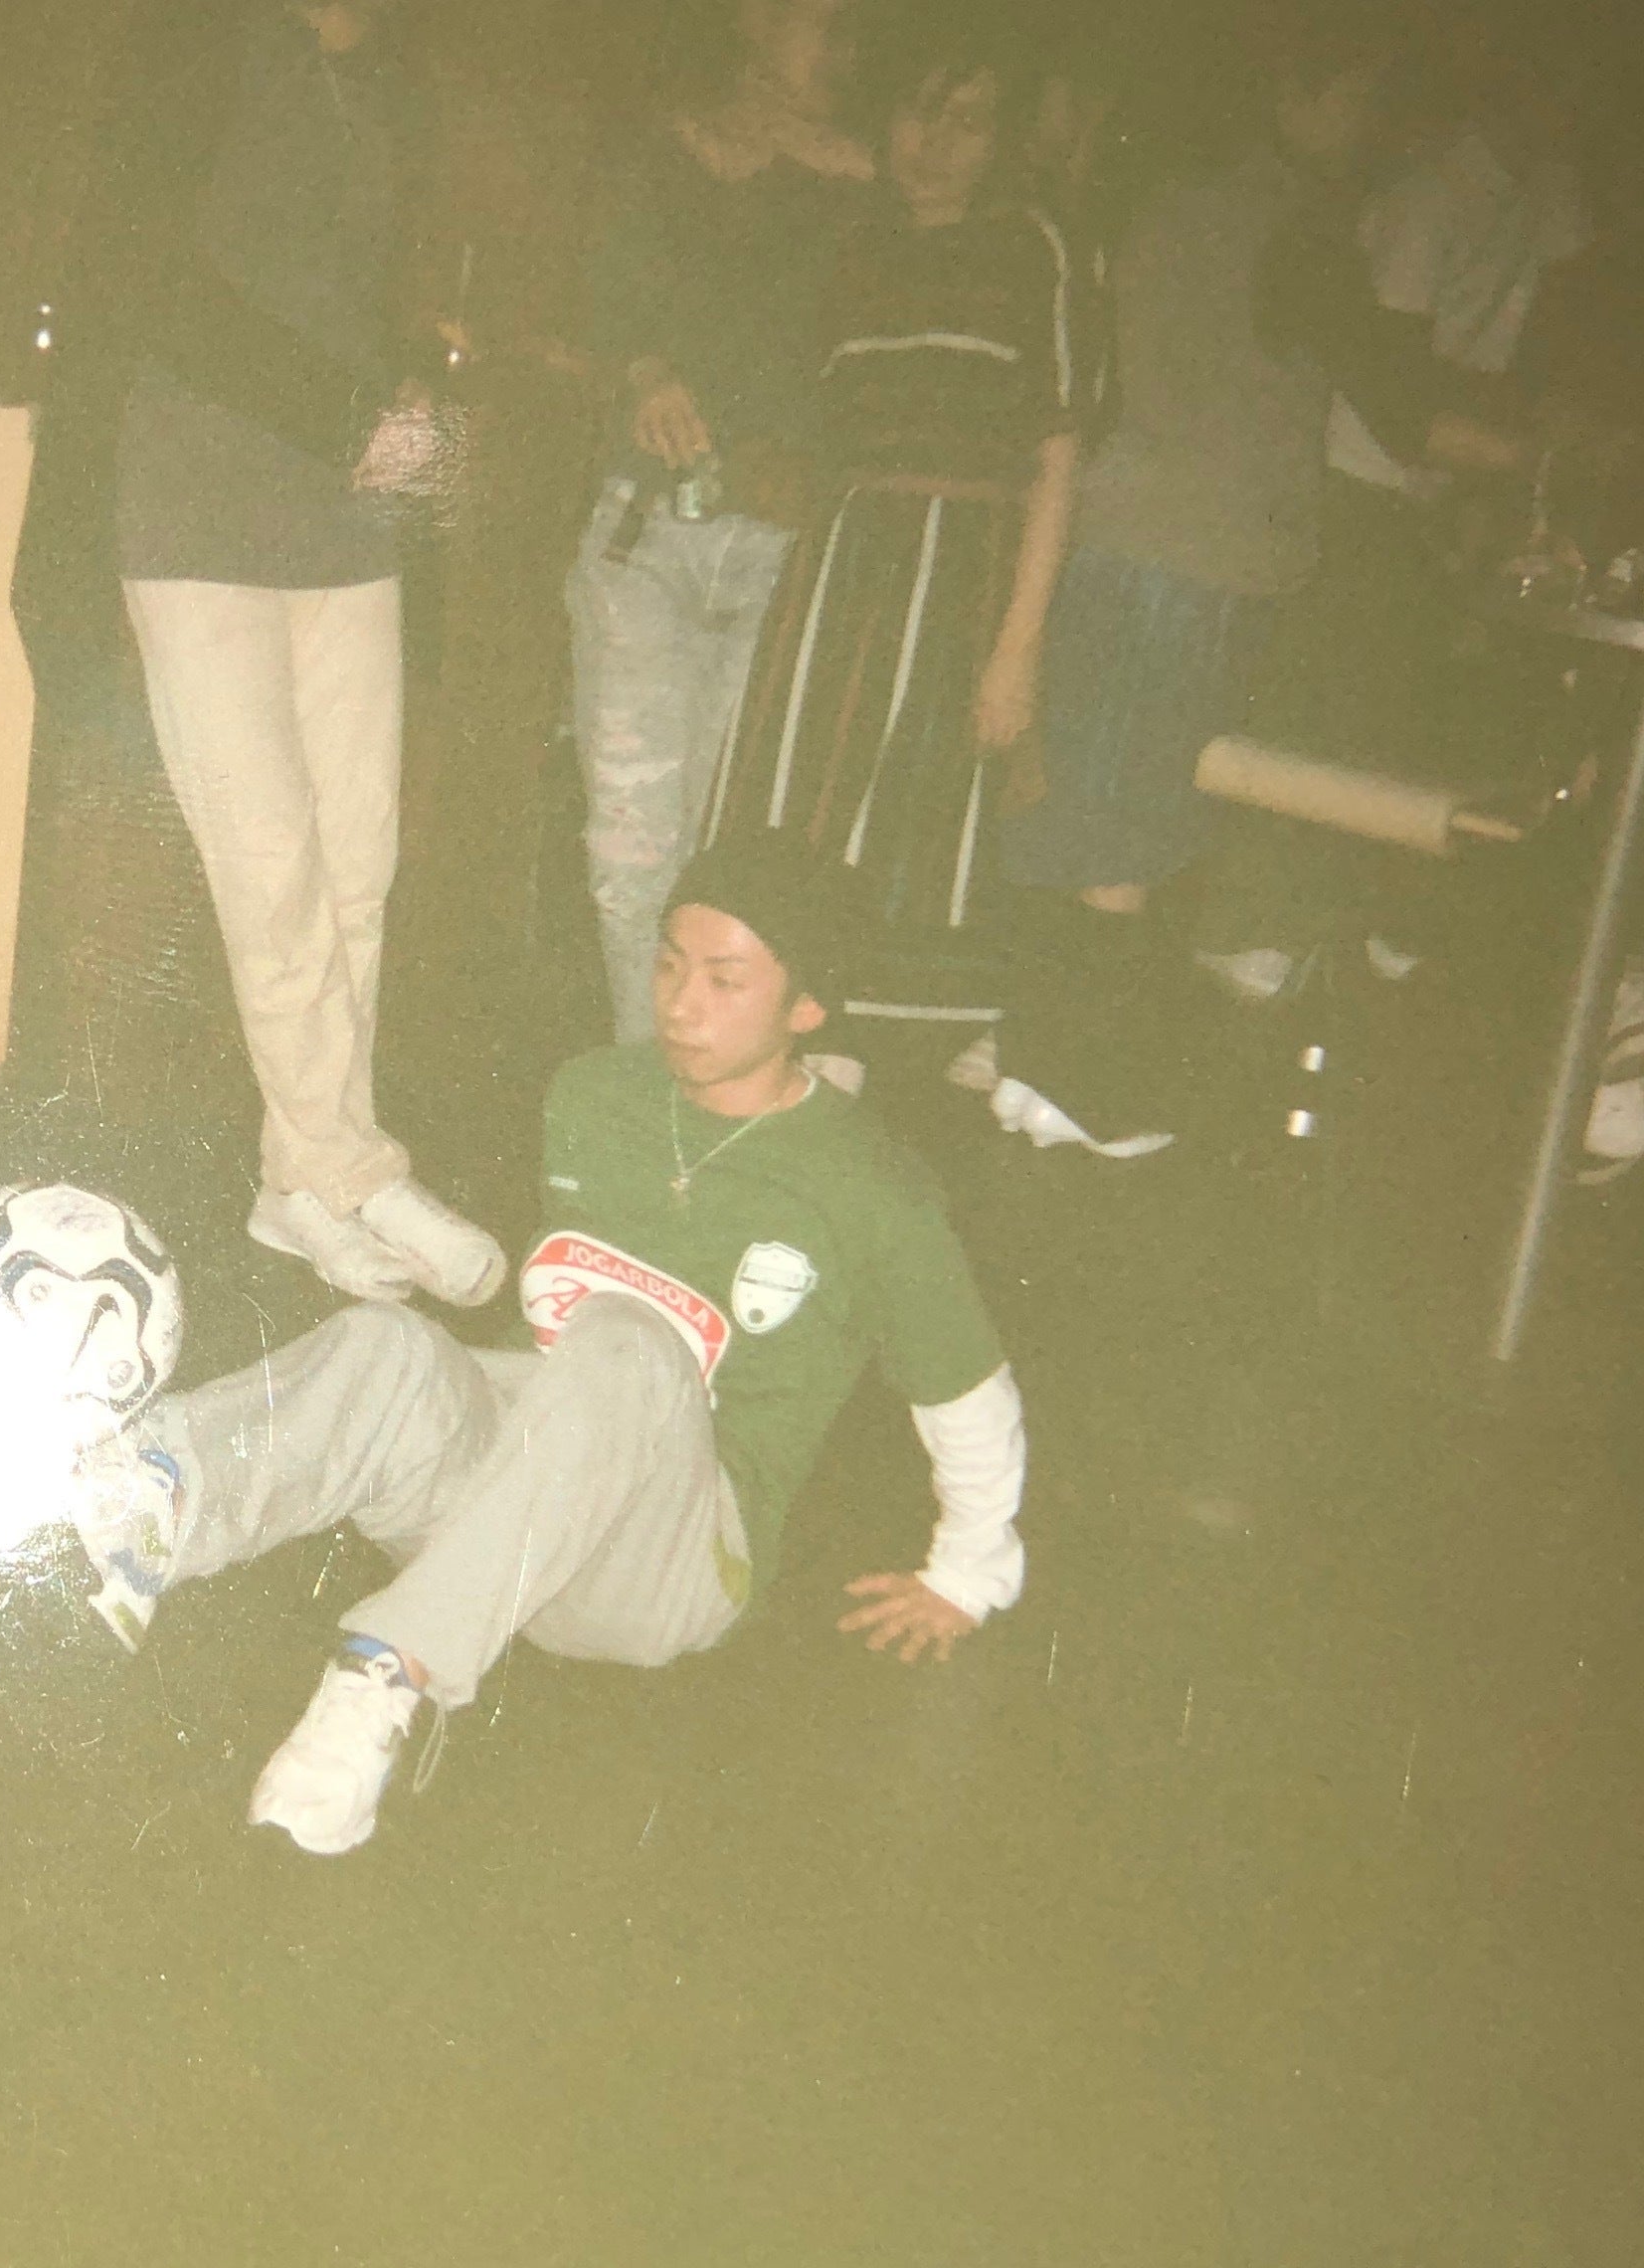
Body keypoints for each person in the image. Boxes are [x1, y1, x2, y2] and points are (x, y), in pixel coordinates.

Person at [64, 841, 1027, 1856]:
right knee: (390, 1344)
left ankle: (385, 1680)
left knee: (628, 1344)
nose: (681, 1003)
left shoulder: (871, 1188)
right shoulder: (594, 1094)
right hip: (510, 1517)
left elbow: (965, 1388)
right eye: (669, 963)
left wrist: (969, 1571)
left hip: (667, 1565)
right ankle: (144, 1502)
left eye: (725, 979)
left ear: (808, 1006)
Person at [990, 9, 1531, 1155]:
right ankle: (1075, 1088)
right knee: (1128, 832)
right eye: (1359, 98)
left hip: (1115, 534)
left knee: (1086, 810)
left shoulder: (1163, 190)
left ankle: (1032, 1071)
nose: (1371, 125)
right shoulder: (1289, 218)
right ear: (1297, 90)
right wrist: (1546, 458)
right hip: (1192, 553)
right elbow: (1396, 399)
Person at [84, 0, 510, 1307]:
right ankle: (354, 1168)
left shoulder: (387, 87)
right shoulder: (193, 45)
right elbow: (144, 278)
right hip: (197, 510)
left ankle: (302, 1185)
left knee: (356, 862)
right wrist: (347, 414)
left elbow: (370, 299)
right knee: (268, 865)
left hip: (343, 519)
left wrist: (413, 384)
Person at [698, 18, 1081, 1085]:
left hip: (966, 566)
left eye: (970, 121)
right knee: (800, 795)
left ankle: (913, 1048)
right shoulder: (853, 242)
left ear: (1002, 138)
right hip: (843, 561)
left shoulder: (1032, 246)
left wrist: (1019, 645)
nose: (937, 142)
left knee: (930, 811)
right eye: (920, 111)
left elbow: (1057, 457)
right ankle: (806, 1031)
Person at [565, 0, 876, 1045]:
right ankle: (647, 1081)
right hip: (646, 539)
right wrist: (644, 370)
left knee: (733, 855)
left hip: (782, 556)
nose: (839, 38)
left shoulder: (871, 179)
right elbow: (596, 309)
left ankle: (717, 1086)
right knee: (629, 852)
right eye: (819, 17)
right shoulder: (658, 145)